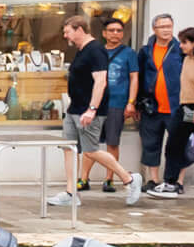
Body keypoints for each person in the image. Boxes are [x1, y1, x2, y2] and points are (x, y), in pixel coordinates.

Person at [57, 14, 142, 206]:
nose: (66, 36)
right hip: (75, 108)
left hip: (88, 110)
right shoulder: (82, 49)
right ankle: (71, 193)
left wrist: (92, 109)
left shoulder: (95, 50)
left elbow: (101, 81)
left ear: (79, 29)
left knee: (91, 150)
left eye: (67, 32)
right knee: (69, 148)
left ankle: (129, 178)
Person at [153, 26, 194, 198]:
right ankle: (170, 183)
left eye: (184, 42)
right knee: (173, 144)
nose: (181, 46)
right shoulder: (187, 59)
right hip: (183, 107)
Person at [134, 14, 184, 196]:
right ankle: (153, 179)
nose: (166, 30)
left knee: (179, 145)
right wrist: (138, 103)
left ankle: (178, 181)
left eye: (169, 26)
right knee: (150, 144)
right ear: (154, 29)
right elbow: (138, 77)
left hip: (176, 107)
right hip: (152, 107)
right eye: (162, 26)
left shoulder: (181, 50)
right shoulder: (146, 51)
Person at [89, 17, 137, 192]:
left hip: (117, 102)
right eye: (111, 30)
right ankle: (83, 178)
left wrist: (131, 102)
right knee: (90, 142)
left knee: (112, 142)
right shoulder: (97, 52)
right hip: (95, 103)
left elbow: (134, 78)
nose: (115, 34)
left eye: (119, 30)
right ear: (104, 33)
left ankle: (109, 179)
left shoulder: (129, 53)